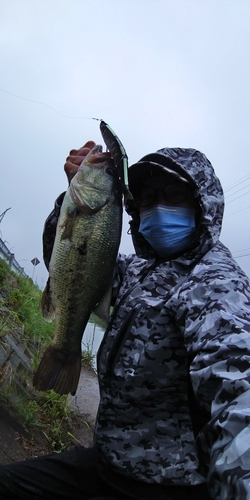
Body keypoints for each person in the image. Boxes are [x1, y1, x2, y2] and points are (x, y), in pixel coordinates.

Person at [1, 141, 250, 500]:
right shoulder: (136, 270)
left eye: (174, 194)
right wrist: (69, 199)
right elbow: (69, 267)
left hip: (162, 487)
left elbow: (237, 384)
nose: (158, 206)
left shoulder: (215, 282)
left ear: (202, 205)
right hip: (105, 462)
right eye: (147, 198)